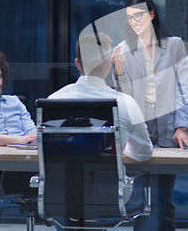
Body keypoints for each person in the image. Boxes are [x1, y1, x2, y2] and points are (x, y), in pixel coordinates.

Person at [47, 33, 155, 230]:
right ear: (109, 64)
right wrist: (119, 149)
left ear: (78, 64)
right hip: (110, 197)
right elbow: (144, 152)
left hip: (59, 198)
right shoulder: (125, 103)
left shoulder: (52, 101)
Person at [111, 0, 188, 231]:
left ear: (151, 14)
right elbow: (124, 97)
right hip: (139, 132)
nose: (134, 22)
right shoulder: (124, 49)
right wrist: (117, 73)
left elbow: (183, 90)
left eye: (138, 15)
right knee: (142, 196)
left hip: (169, 131)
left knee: (164, 195)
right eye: (129, 18)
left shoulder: (176, 46)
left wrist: (182, 127)